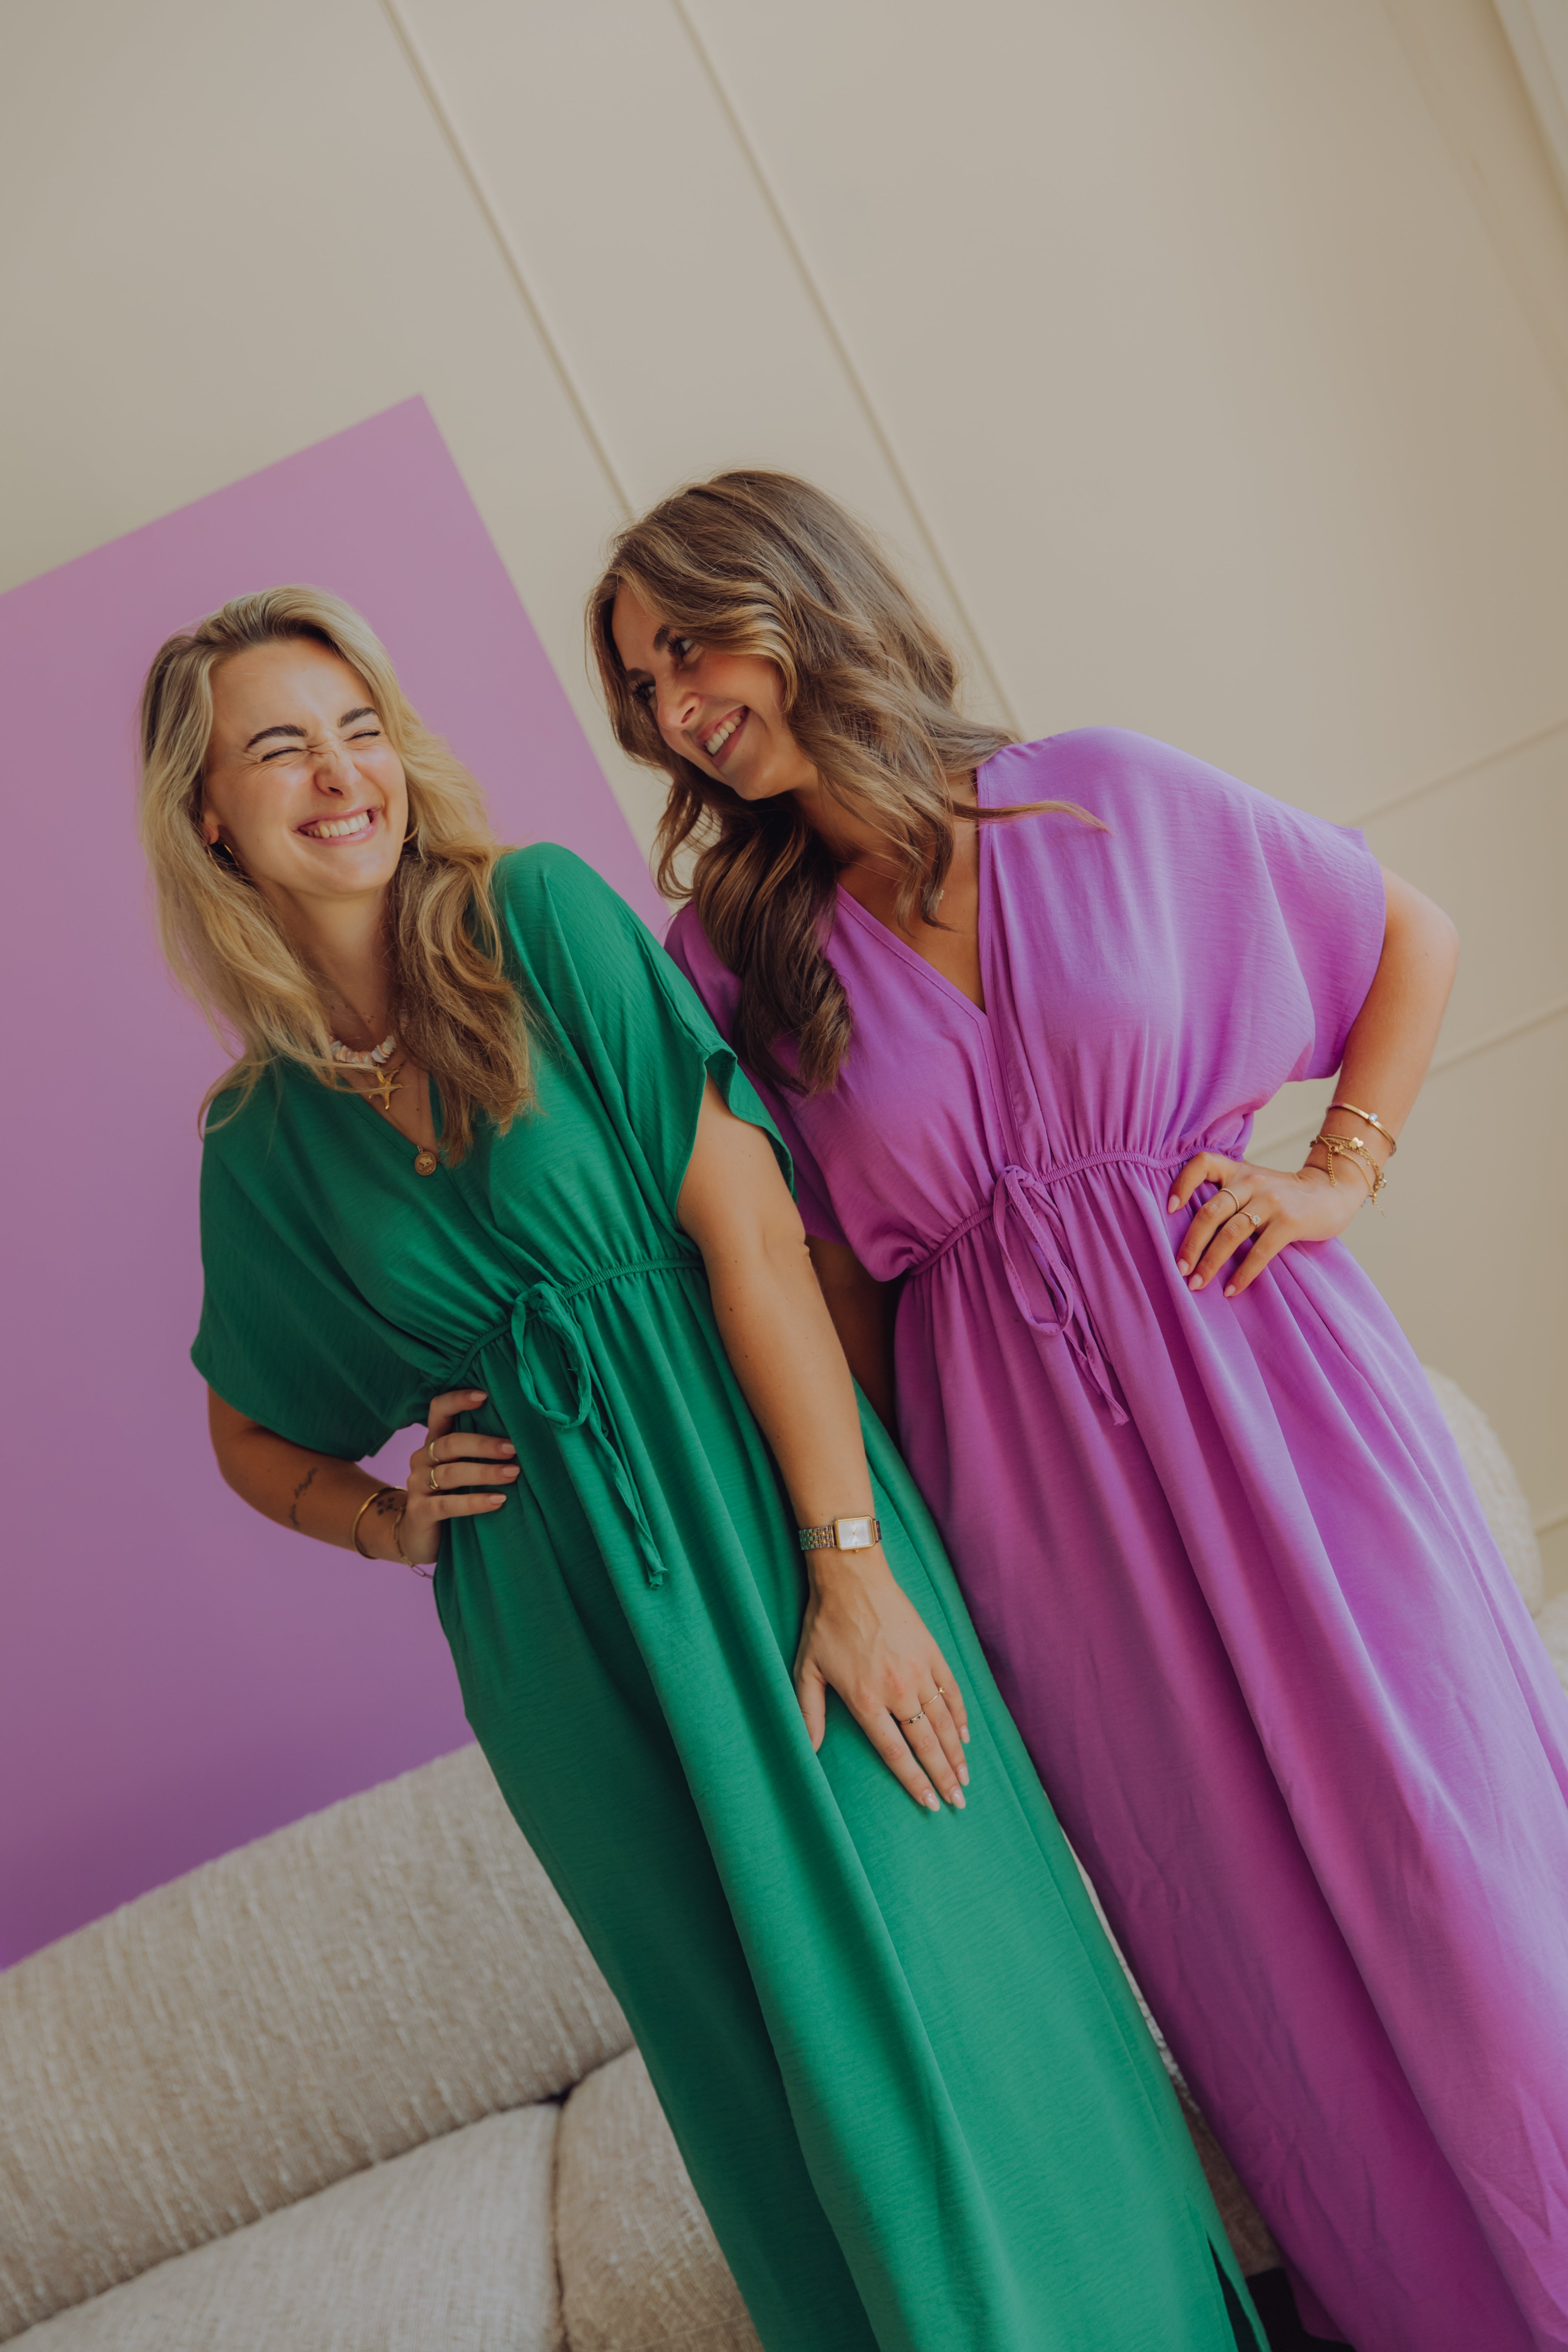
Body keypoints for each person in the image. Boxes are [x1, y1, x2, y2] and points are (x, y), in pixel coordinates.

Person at [139, 586, 1265, 2352]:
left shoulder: (533, 920)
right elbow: (246, 1430)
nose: (341, 774)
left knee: (965, 1996)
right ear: (210, 815)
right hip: (561, 1646)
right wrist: (383, 1520)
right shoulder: (257, 1140)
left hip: (770, 1519)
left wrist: (846, 1560)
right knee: (755, 2072)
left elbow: (749, 1237)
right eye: (281, 749)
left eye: (358, 728)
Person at [587, 471, 1568, 2352]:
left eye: (690, 645)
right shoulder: (731, 960)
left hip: (1278, 1396)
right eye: (640, 687)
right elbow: (827, 1287)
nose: (674, 706)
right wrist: (897, 1552)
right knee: (1255, 1964)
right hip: (1033, 1506)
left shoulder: (1100, 792)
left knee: (1467, 1875)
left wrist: (1335, 1173)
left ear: (798, 599)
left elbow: (1406, 933)